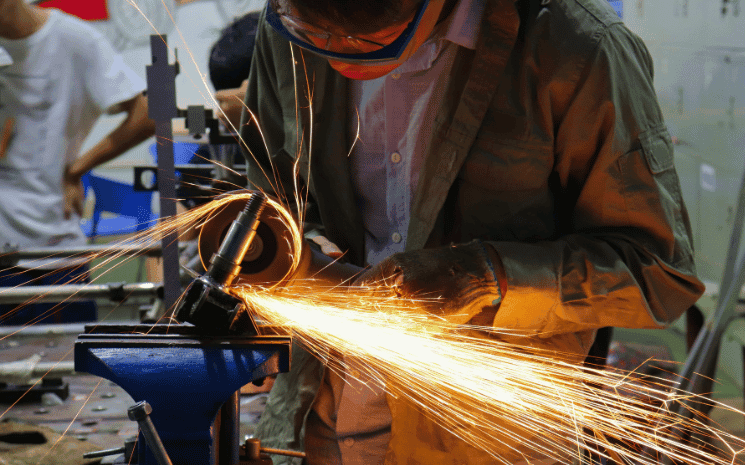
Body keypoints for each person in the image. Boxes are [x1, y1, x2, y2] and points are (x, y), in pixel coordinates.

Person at [239, 0, 706, 463]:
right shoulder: (291, 22)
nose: (338, 56)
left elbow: (655, 271)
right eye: (317, 38)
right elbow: (272, 204)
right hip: (317, 422)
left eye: (369, 40)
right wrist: (290, 261)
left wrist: (488, 277)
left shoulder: (576, 49)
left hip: (487, 438)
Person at [0, 0, 155, 325]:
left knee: (66, 367)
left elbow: (146, 116)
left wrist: (76, 169)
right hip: (5, 256)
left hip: (55, 250)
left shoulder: (74, 40)